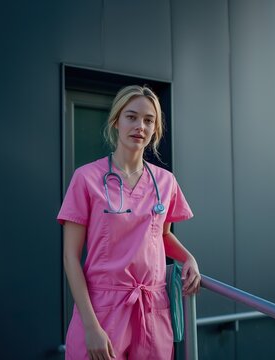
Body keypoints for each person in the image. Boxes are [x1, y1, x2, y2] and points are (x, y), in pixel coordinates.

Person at [57, 85, 200, 360]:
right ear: (116, 121)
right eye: (131, 117)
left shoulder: (165, 182)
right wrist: (91, 326)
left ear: (155, 128)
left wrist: (188, 257)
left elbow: (162, 235)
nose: (140, 127)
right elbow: (70, 257)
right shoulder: (86, 178)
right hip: (103, 311)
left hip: (152, 313)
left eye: (149, 120)